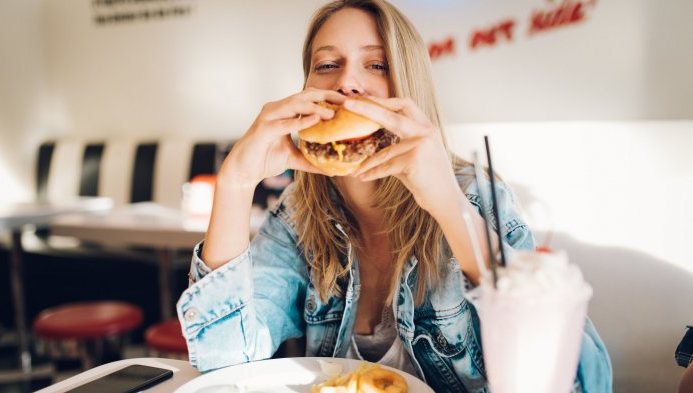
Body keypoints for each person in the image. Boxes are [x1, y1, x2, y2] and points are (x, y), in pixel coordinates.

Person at [176, 0, 612, 391]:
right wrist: (234, 182)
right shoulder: (297, 215)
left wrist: (448, 204)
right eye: (327, 64)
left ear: (407, 85)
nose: (348, 82)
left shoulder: (476, 196)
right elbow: (223, 365)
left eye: (377, 66)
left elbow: (578, 381)